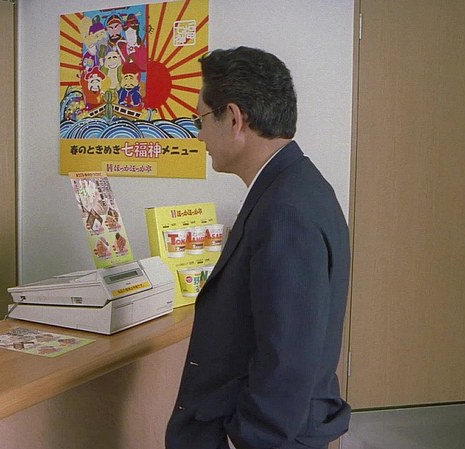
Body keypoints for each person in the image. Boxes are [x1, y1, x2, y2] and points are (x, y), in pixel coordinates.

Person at [166, 47, 351, 449]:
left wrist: (247, 440)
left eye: (200, 119)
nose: (199, 136)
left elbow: (288, 357)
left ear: (234, 119)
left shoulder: (286, 210)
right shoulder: (296, 185)